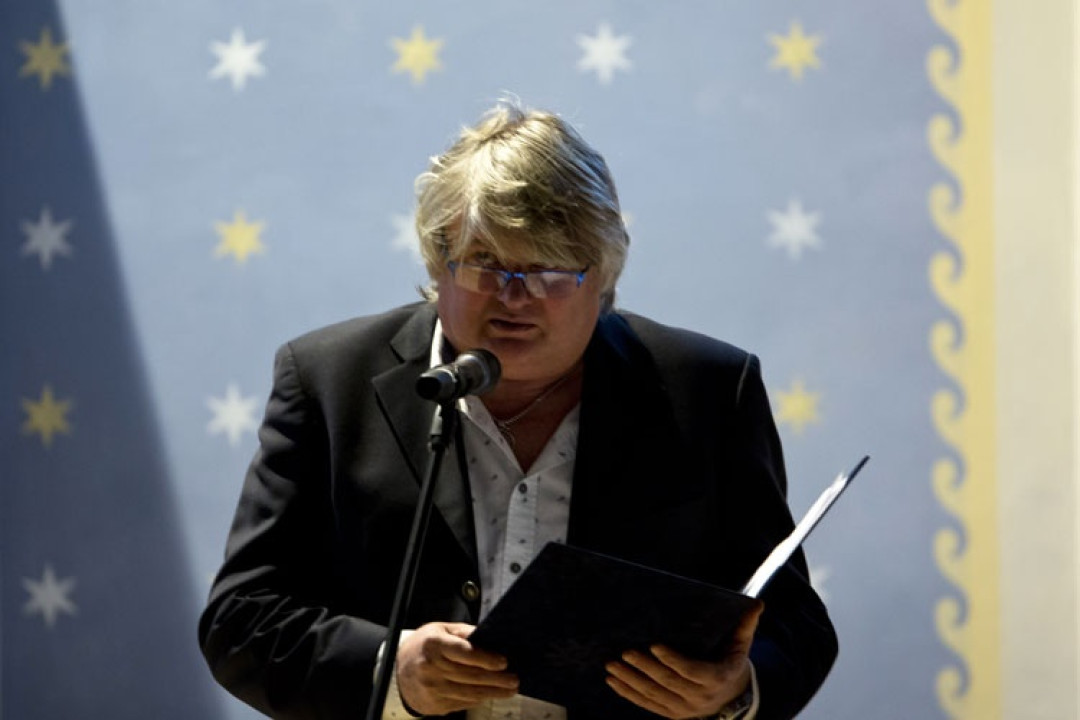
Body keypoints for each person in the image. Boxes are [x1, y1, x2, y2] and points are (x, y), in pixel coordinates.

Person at [199, 101, 837, 720]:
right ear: (437, 262)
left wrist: (734, 691)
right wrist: (392, 670)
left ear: (603, 275)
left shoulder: (707, 390)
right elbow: (241, 619)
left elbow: (794, 623)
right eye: (484, 264)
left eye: (549, 271)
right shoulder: (329, 379)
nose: (514, 297)